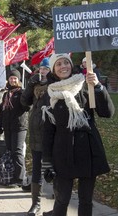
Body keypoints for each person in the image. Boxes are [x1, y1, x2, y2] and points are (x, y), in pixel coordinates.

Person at [41, 53, 115, 216]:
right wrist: (47, 160)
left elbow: (107, 113)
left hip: (87, 149)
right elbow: (48, 131)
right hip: (62, 153)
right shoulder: (50, 93)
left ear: (71, 65)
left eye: (66, 63)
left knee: (86, 200)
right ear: (53, 69)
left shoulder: (84, 85)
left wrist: (97, 87)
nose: (63, 66)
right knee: (62, 199)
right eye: (58, 64)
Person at [21, 58, 51, 216]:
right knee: (37, 169)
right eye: (42, 69)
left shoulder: (54, 84)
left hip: (51, 134)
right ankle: (36, 204)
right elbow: (24, 102)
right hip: (36, 134)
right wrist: (30, 85)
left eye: (46, 68)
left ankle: (58, 202)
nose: (44, 71)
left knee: (55, 169)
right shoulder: (35, 85)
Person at [0, 69, 31, 189]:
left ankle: (20, 178)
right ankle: (11, 175)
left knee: (17, 152)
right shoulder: (7, 94)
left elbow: (26, 107)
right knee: (10, 151)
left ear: (19, 79)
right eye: (11, 78)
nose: (13, 80)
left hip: (19, 126)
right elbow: (2, 111)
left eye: (15, 78)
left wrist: (26, 97)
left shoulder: (22, 92)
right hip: (8, 126)